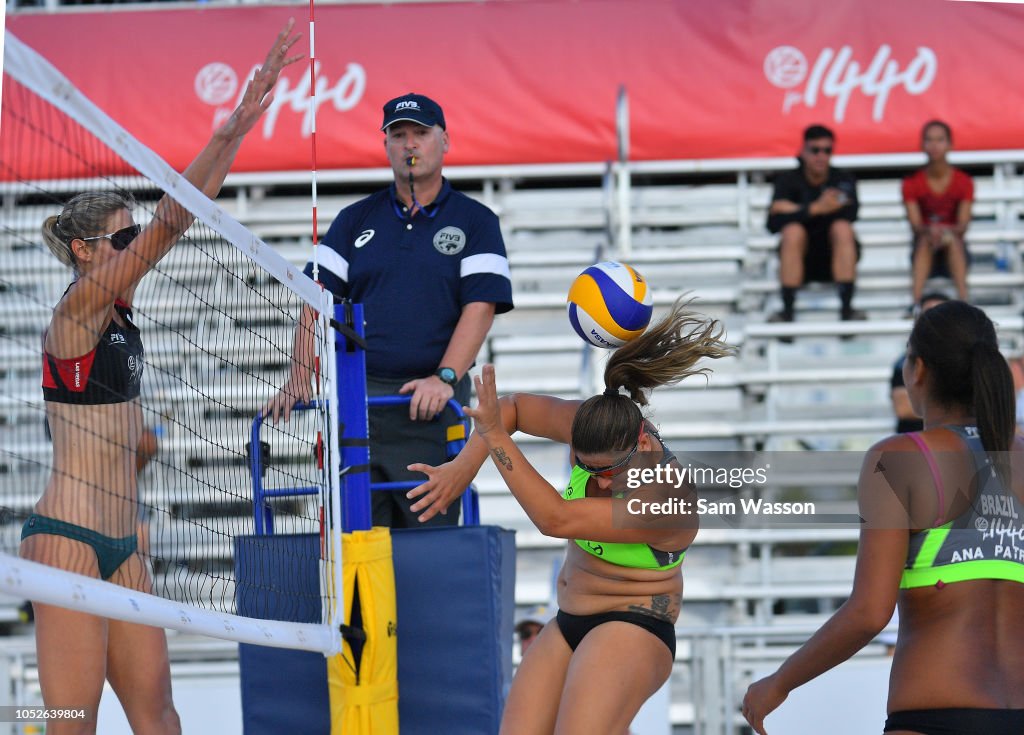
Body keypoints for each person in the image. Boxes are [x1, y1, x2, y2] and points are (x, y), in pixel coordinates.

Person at [20, 23, 302, 734]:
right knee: (70, 721)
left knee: (159, 718)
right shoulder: (76, 311)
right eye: (121, 238)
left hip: (124, 545)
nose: (134, 245)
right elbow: (170, 225)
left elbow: (183, 211)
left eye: (131, 235)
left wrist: (237, 128)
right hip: (67, 539)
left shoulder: (119, 306)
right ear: (85, 251)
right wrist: (225, 131)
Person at [408, 298, 732, 733]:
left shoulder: (667, 498)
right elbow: (512, 408)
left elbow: (555, 519)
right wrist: (462, 468)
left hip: (634, 623)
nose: (600, 483)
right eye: (586, 467)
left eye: (609, 472)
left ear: (644, 444)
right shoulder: (596, 425)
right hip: (568, 619)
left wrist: (495, 437)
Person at [743, 300, 1024, 735]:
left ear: (918, 370)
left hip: (934, 710)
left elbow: (870, 613)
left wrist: (780, 682)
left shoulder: (900, 457)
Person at [263, 92, 513, 528]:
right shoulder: (353, 219)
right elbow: (313, 298)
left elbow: (481, 306)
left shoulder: (477, 221)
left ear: (444, 140)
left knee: (430, 545)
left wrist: (444, 378)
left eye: (421, 133)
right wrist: (299, 375)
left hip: (433, 406)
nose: (409, 144)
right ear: (386, 145)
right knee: (357, 541)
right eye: (398, 135)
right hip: (358, 403)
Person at [767, 124, 865, 323]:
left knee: (842, 228)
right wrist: (816, 208)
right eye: (815, 150)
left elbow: (851, 213)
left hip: (834, 258)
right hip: (799, 260)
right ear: (803, 151)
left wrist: (795, 209)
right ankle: (787, 312)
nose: (821, 156)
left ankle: (847, 310)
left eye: (827, 150)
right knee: (793, 232)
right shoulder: (788, 180)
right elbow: (772, 224)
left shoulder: (842, 178)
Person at [902, 120, 973, 305]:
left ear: (950, 144)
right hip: (924, 247)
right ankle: (916, 304)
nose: (934, 145)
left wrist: (942, 231)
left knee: (952, 239)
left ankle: (964, 302)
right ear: (922, 145)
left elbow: (963, 225)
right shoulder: (911, 182)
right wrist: (931, 231)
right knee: (926, 239)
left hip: (954, 247)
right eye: (929, 140)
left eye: (940, 140)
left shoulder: (963, 181)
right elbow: (916, 225)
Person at [890, 291, 949, 434]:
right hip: (918, 440)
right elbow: (904, 409)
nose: (936, 321)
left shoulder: (967, 357)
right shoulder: (906, 361)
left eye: (942, 315)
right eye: (929, 314)